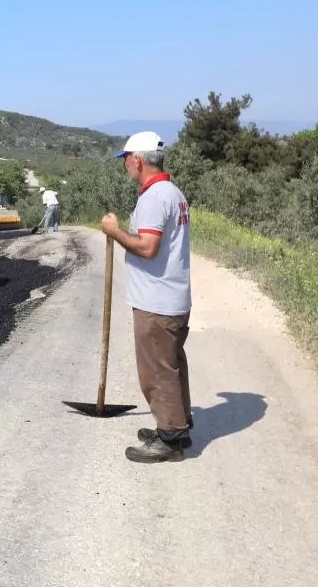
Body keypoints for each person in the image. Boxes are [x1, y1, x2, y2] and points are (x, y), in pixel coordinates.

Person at [101, 131, 192, 464]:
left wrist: (114, 232)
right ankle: (177, 427)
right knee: (172, 365)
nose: (125, 166)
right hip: (173, 297)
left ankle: (170, 441)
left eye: (125, 159)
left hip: (157, 302)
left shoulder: (155, 197)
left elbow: (148, 247)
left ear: (137, 160)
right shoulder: (173, 193)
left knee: (157, 371)